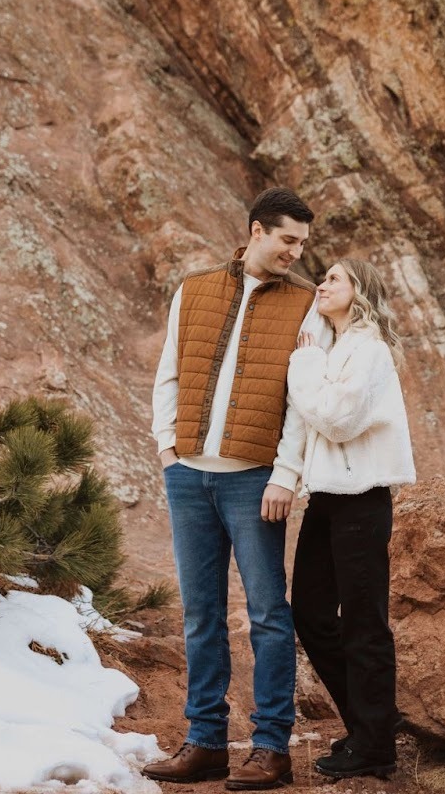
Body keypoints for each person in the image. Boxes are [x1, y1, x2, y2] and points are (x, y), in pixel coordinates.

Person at [146, 188, 327, 790]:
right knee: (201, 615)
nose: (296, 254)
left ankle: (272, 747)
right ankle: (205, 742)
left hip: (255, 482)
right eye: (287, 240)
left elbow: (302, 402)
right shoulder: (193, 289)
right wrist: (168, 449)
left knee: (269, 615)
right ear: (256, 231)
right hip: (188, 476)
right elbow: (169, 370)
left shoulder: (306, 305)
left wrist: (284, 474)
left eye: (302, 244)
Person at [287, 258, 415, 782]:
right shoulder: (333, 349)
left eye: (335, 278)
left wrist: (303, 367)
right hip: (325, 499)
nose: (322, 284)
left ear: (359, 291)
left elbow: (338, 420)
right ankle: (370, 724)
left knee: (364, 623)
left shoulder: (370, 351)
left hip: (362, 499)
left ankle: (375, 746)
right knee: (311, 613)